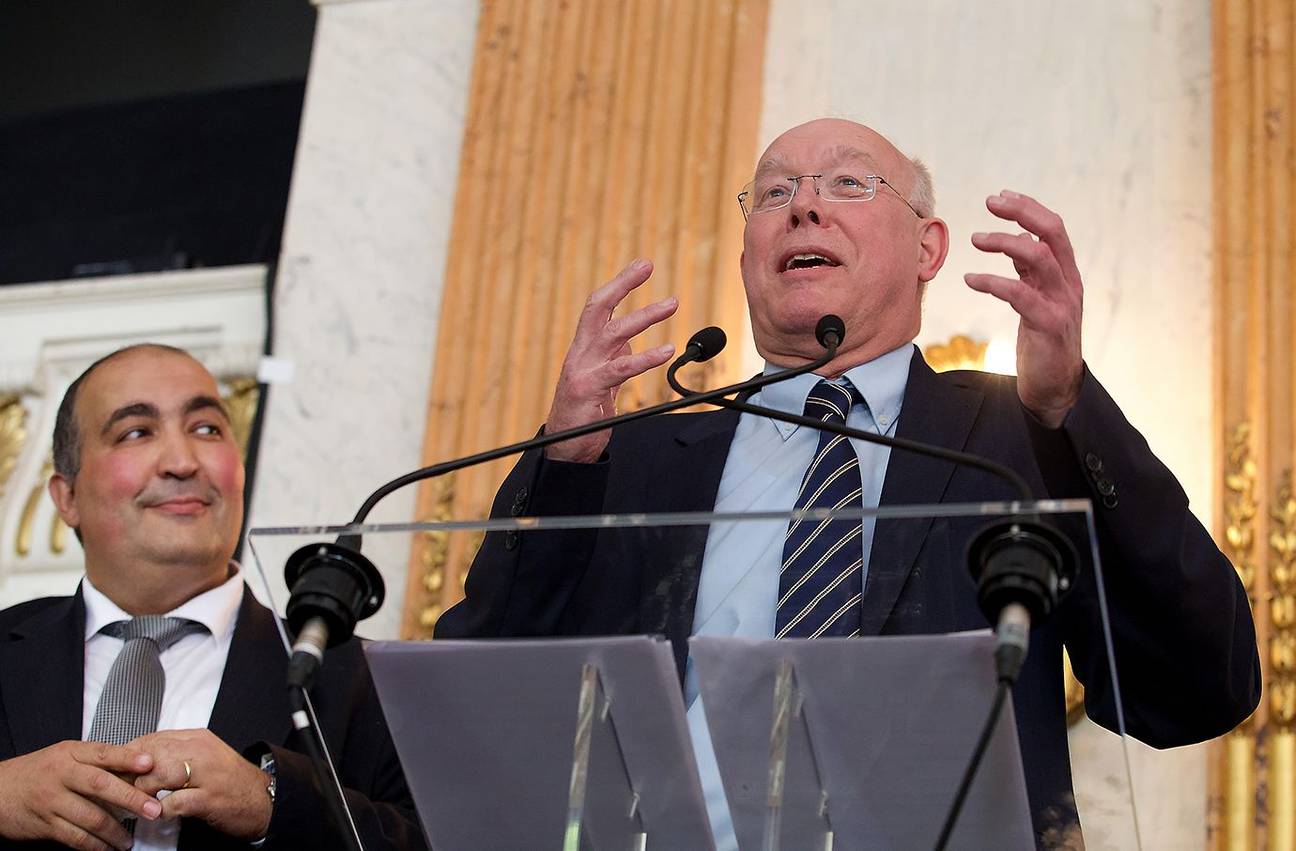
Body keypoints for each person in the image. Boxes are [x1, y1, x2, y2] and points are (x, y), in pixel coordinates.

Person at [436, 118, 1261, 847]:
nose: (803, 205)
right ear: (749, 249)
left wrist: (1069, 406)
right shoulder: (638, 455)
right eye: (773, 192)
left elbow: (1197, 686)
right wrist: (563, 459)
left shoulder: (1017, 436)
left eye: (847, 183)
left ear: (928, 248)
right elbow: (479, 705)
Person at [0, 344, 425, 851]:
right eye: (136, 432)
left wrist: (270, 802)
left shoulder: (358, 679)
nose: (183, 462)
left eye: (207, 429)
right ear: (67, 497)